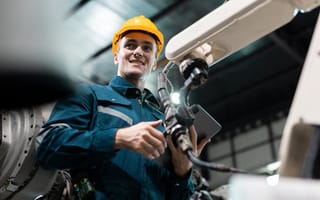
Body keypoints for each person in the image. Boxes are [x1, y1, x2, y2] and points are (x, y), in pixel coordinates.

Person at [36, 15, 209, 200]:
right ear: (116, 56)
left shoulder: (164, 123)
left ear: (154, 63)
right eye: (130, 45)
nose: (138, 52)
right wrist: (117, 138)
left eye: (147, 48)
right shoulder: (88, 94)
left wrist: (183, 172)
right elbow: (48, 146)